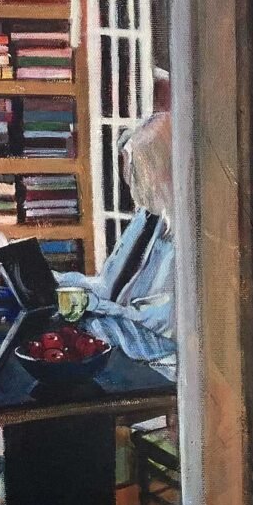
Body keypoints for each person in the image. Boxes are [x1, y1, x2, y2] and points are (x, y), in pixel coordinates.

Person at [57, 70, 176, 345]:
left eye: (140, 169)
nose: (131, 180)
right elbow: (107, 285)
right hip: (116, 340)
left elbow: (158, 325)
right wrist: (53, 280)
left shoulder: (185, 241)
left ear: (165, 169)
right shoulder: (147, 219)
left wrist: (94, 305)